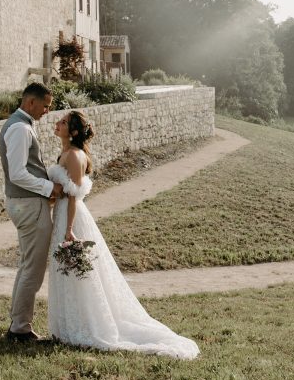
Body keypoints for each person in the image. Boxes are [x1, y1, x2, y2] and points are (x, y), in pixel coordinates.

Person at [47, 110, 199, 359]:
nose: (58, 124)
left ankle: (85, 326)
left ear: (73, 131)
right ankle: (66, 327)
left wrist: (69, 229)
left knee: (78, 271)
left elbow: (73, 195)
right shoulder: (65, 153)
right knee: (67, 271)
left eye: (63, 122)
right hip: (63, 216)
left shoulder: (74, 156)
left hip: (72, 219)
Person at [0, 81, 63, 342]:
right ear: (30, 102)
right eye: (45, 106)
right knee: (33, 270)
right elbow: (17, 174)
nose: (46, 111)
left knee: (27, 266)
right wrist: (49, 187)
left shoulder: (20, 125)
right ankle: (20, 329)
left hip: (25, 204)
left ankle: (17, 322)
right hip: (29, 205)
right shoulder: (19, 129)